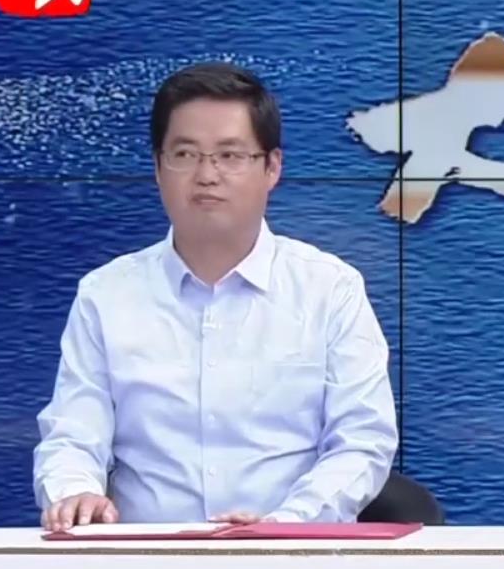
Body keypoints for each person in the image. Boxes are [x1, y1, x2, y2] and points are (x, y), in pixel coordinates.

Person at [34, 63, 398, 531]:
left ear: (272, 167)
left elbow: (362, 441)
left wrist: (286, 525)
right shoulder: (106, 295)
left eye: (230, 155)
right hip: (142, 564)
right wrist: (74, 491)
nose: (207, 174)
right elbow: (73, 434)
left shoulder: (329, 290)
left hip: (290, 559)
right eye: (185, 154)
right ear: (158, 168)